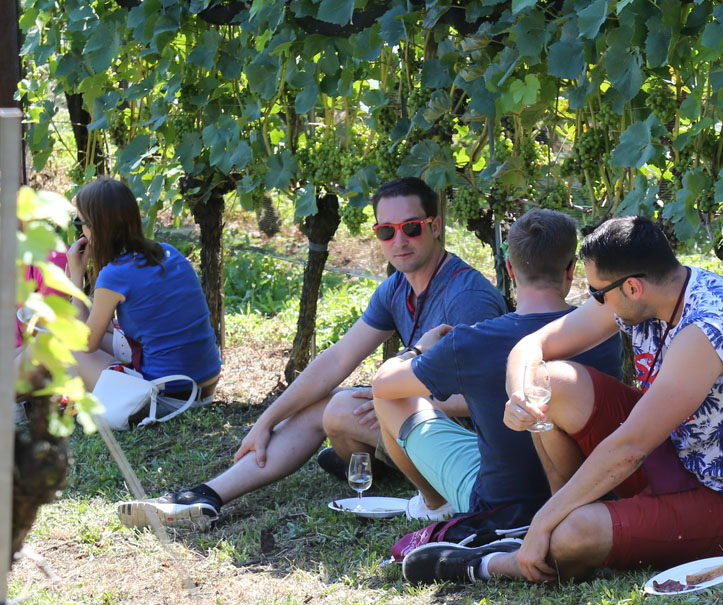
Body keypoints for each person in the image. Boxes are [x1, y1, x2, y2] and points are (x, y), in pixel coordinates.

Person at [402, 215, 723, 585]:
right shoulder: (658, 290)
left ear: (632, 287)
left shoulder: (705, 331)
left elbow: (630, 448)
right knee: (549, 381)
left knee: (571, 536)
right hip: (682, 456)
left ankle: (494, 563)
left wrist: (545, 520)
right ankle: (565, 519)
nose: (593, 300)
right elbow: (532, 346)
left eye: (596, 292)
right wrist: (521, 393)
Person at [118, 177, 506, 529]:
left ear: (435, 226)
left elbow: (491, 397)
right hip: (421, 424)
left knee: (337, 410)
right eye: (386, 231)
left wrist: (401, 401)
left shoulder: (466, 298)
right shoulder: (398, 288)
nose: (399, 241)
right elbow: (337, 359)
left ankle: (366, 462)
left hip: (467, 447)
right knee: (330, 405)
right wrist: (266, 420)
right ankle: (206, 496)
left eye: (412, 228)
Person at [371, 209, 622, 523]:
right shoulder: (607, 333)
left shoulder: (471, 341)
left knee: (389, 399)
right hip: (590, 497)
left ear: (509, 268)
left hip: (499, 508)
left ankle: (434, 505)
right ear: (571, 269)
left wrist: (420, 347)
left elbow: (382, 385)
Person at [64, 177, 221, 396]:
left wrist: (76, 276)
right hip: (206, 382)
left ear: (95, 228)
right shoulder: (167, 252)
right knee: (94, 323)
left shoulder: (114, 274)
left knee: (62, 344)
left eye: (79, 223)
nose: (81, 232)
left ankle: (19, 399)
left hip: (169, 393)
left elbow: (84, 344)